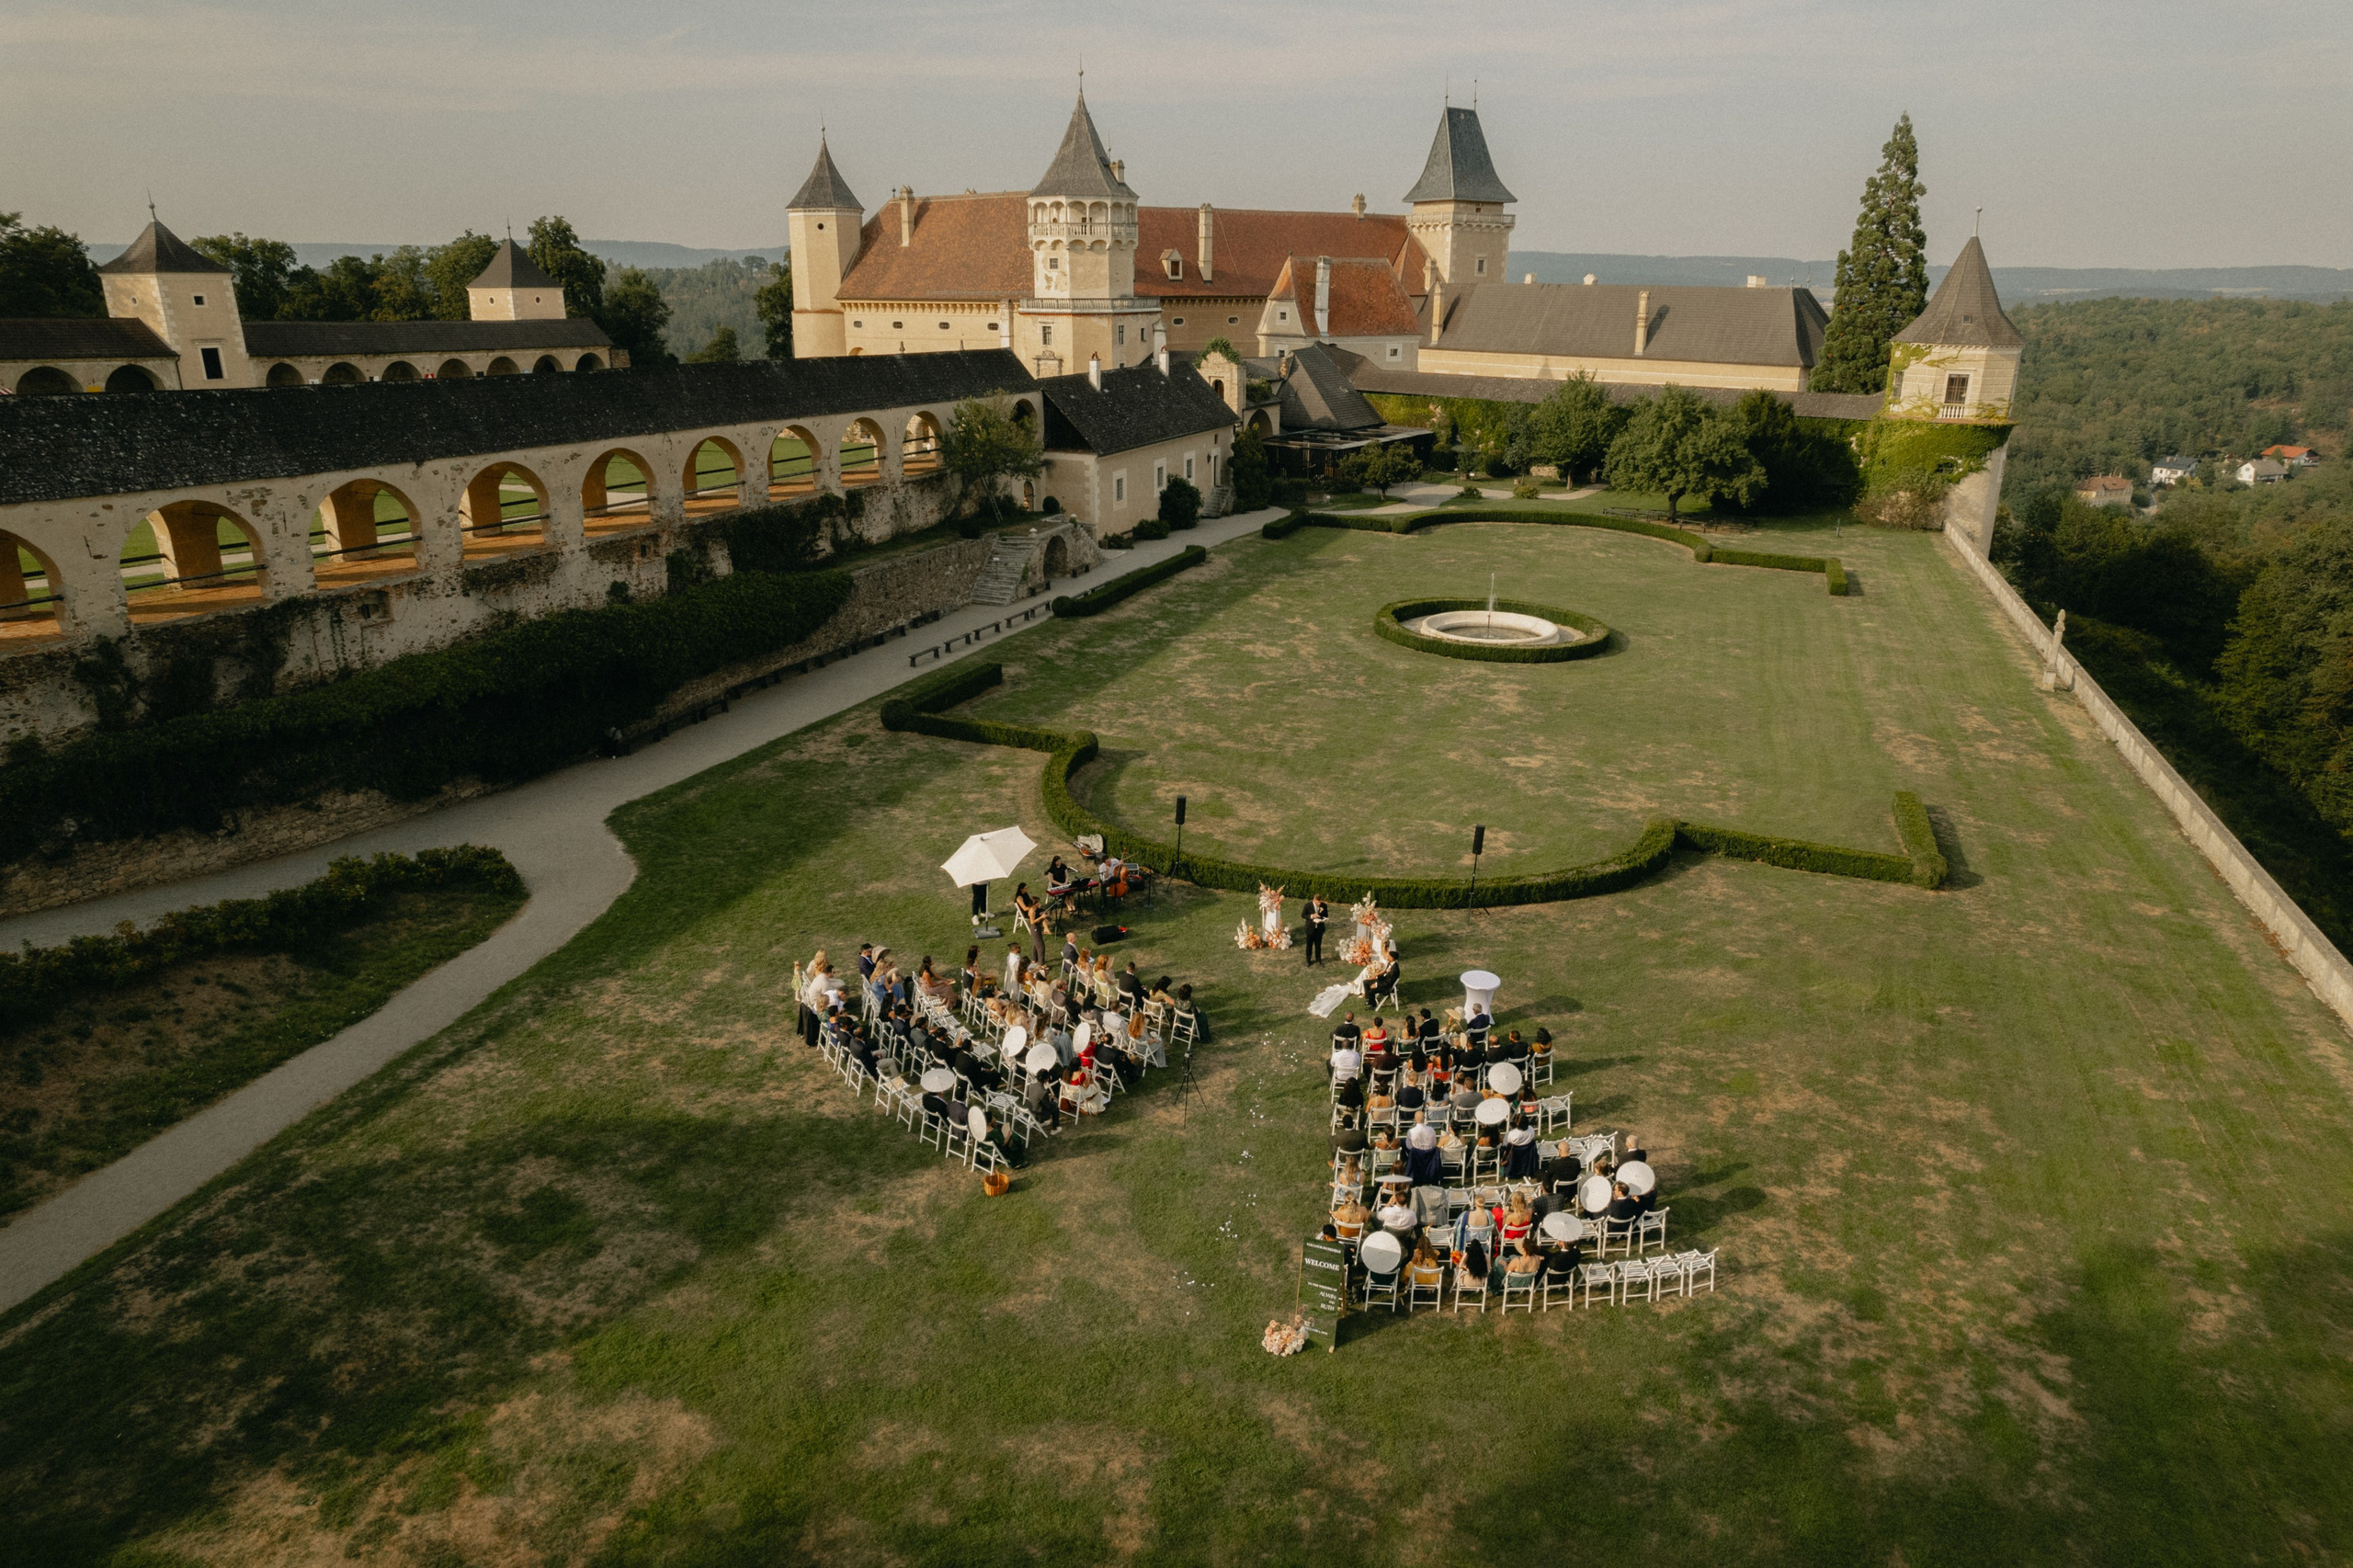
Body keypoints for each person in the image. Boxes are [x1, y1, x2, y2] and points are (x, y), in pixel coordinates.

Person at [1302, 894, 1329, 965]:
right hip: (1310, 928)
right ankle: (1308, 960)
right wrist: (1312, 916)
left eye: (1320, 902)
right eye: (1317, 902)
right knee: (1309, 945)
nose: (1319, 904)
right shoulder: (1308, 905)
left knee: (1318, 945)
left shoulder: (1324, 906)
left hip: (1319, 929)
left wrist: (1323, 917)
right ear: (1313, 900)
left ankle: (1318, 959)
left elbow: (1326, 915)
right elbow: (1303, 915)